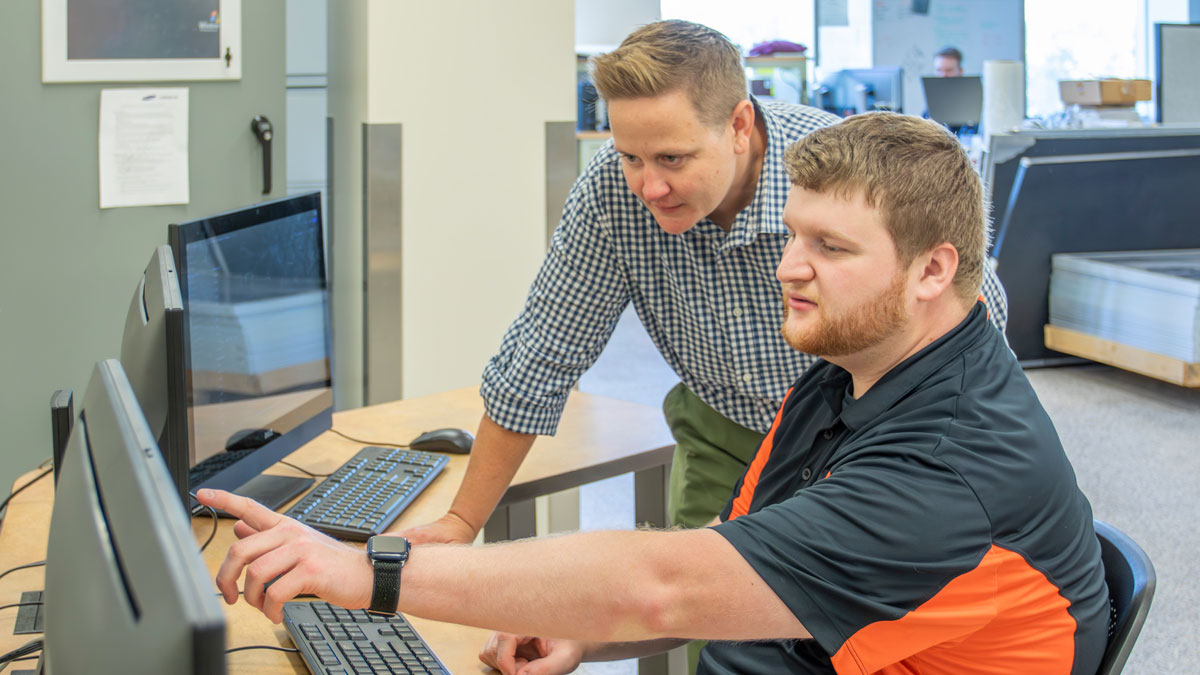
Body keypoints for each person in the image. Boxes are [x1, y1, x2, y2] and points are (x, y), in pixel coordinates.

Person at [200, 112, 1107, 675]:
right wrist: (587, 636)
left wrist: (370, 571)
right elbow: (724, 555)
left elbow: (666, 587)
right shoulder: (849, 369)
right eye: (793, 235)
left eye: (830, 248)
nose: (788, 270)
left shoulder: (951, 473)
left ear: (933, 270)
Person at [397, 20, 1008, 549]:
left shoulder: (836, 170)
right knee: (710, 627)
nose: (648, 186)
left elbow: (974, 309)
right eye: (630, 155)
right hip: (723, 427)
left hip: (870, 430)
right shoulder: (613, 193)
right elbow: (542, 355)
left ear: (739, 125)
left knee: (846, 632)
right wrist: (461, 519)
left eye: (672, 159)